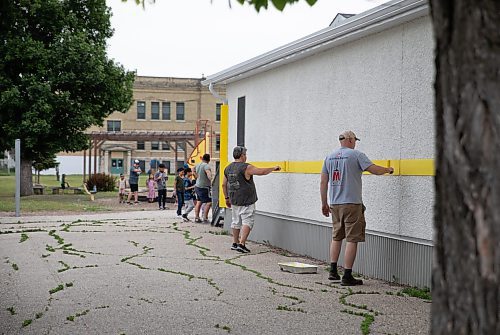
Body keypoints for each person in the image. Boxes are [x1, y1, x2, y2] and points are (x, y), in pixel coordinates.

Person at [320, 130, 394, 286]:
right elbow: (373, 169)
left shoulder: (329, 157)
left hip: (335, 204)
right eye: (354, 140)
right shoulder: (356, 155)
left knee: (337, 237)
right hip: (352, 203)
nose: (355, 143)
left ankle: (333, 272)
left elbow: (323, 182)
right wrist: (388, 169)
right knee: (352, 239)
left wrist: (324, 203)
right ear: (349, 140)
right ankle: (347, 276)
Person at [222, 146, 281, 253]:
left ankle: (234, 243)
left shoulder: (228, 168)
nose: (246, 156)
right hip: (247, 200)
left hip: (234, 199)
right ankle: (242, 244)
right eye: (245, 154)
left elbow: (223, 184)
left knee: (235, 221)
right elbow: (261, 171)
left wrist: (226, 198)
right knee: (247, 221)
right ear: (242, 155)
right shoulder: (246, 167)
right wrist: (273, 168)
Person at [194, 154, 213, 223]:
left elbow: (193, 169)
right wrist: (211, 179)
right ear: (209, 159)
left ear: (202, 158)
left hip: (197, 186)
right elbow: (208, 173)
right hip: (204, 187)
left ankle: (197, 217)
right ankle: (205, 218)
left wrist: (197, 176)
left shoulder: (198, 164)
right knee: (209, 202)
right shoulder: (206, 165)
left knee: (199, 202)